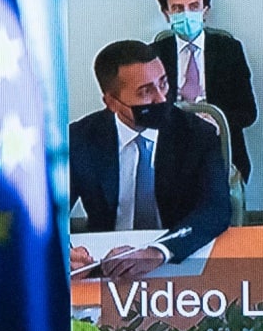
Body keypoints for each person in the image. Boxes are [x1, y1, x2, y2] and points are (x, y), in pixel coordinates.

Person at [66, 40, 231, 283]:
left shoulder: (197, 134)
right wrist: (65, 250)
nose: (161, 98)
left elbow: (216, 209)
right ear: (112, 102)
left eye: (163, 83)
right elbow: (47, 210)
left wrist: (158, 252)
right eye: (145, 91)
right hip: (106, 262)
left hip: (177, 258)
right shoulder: (80, 139)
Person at [148, 0, 257, 183]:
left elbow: (248, 113)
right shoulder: (154, 54)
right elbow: (148, 111)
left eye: (194, 6)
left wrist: (218, 121)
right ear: (166, 14)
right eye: (178, 9)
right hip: (171, 146)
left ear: (205, 11)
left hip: (219, 144)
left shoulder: (228, 50)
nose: (186, 14)